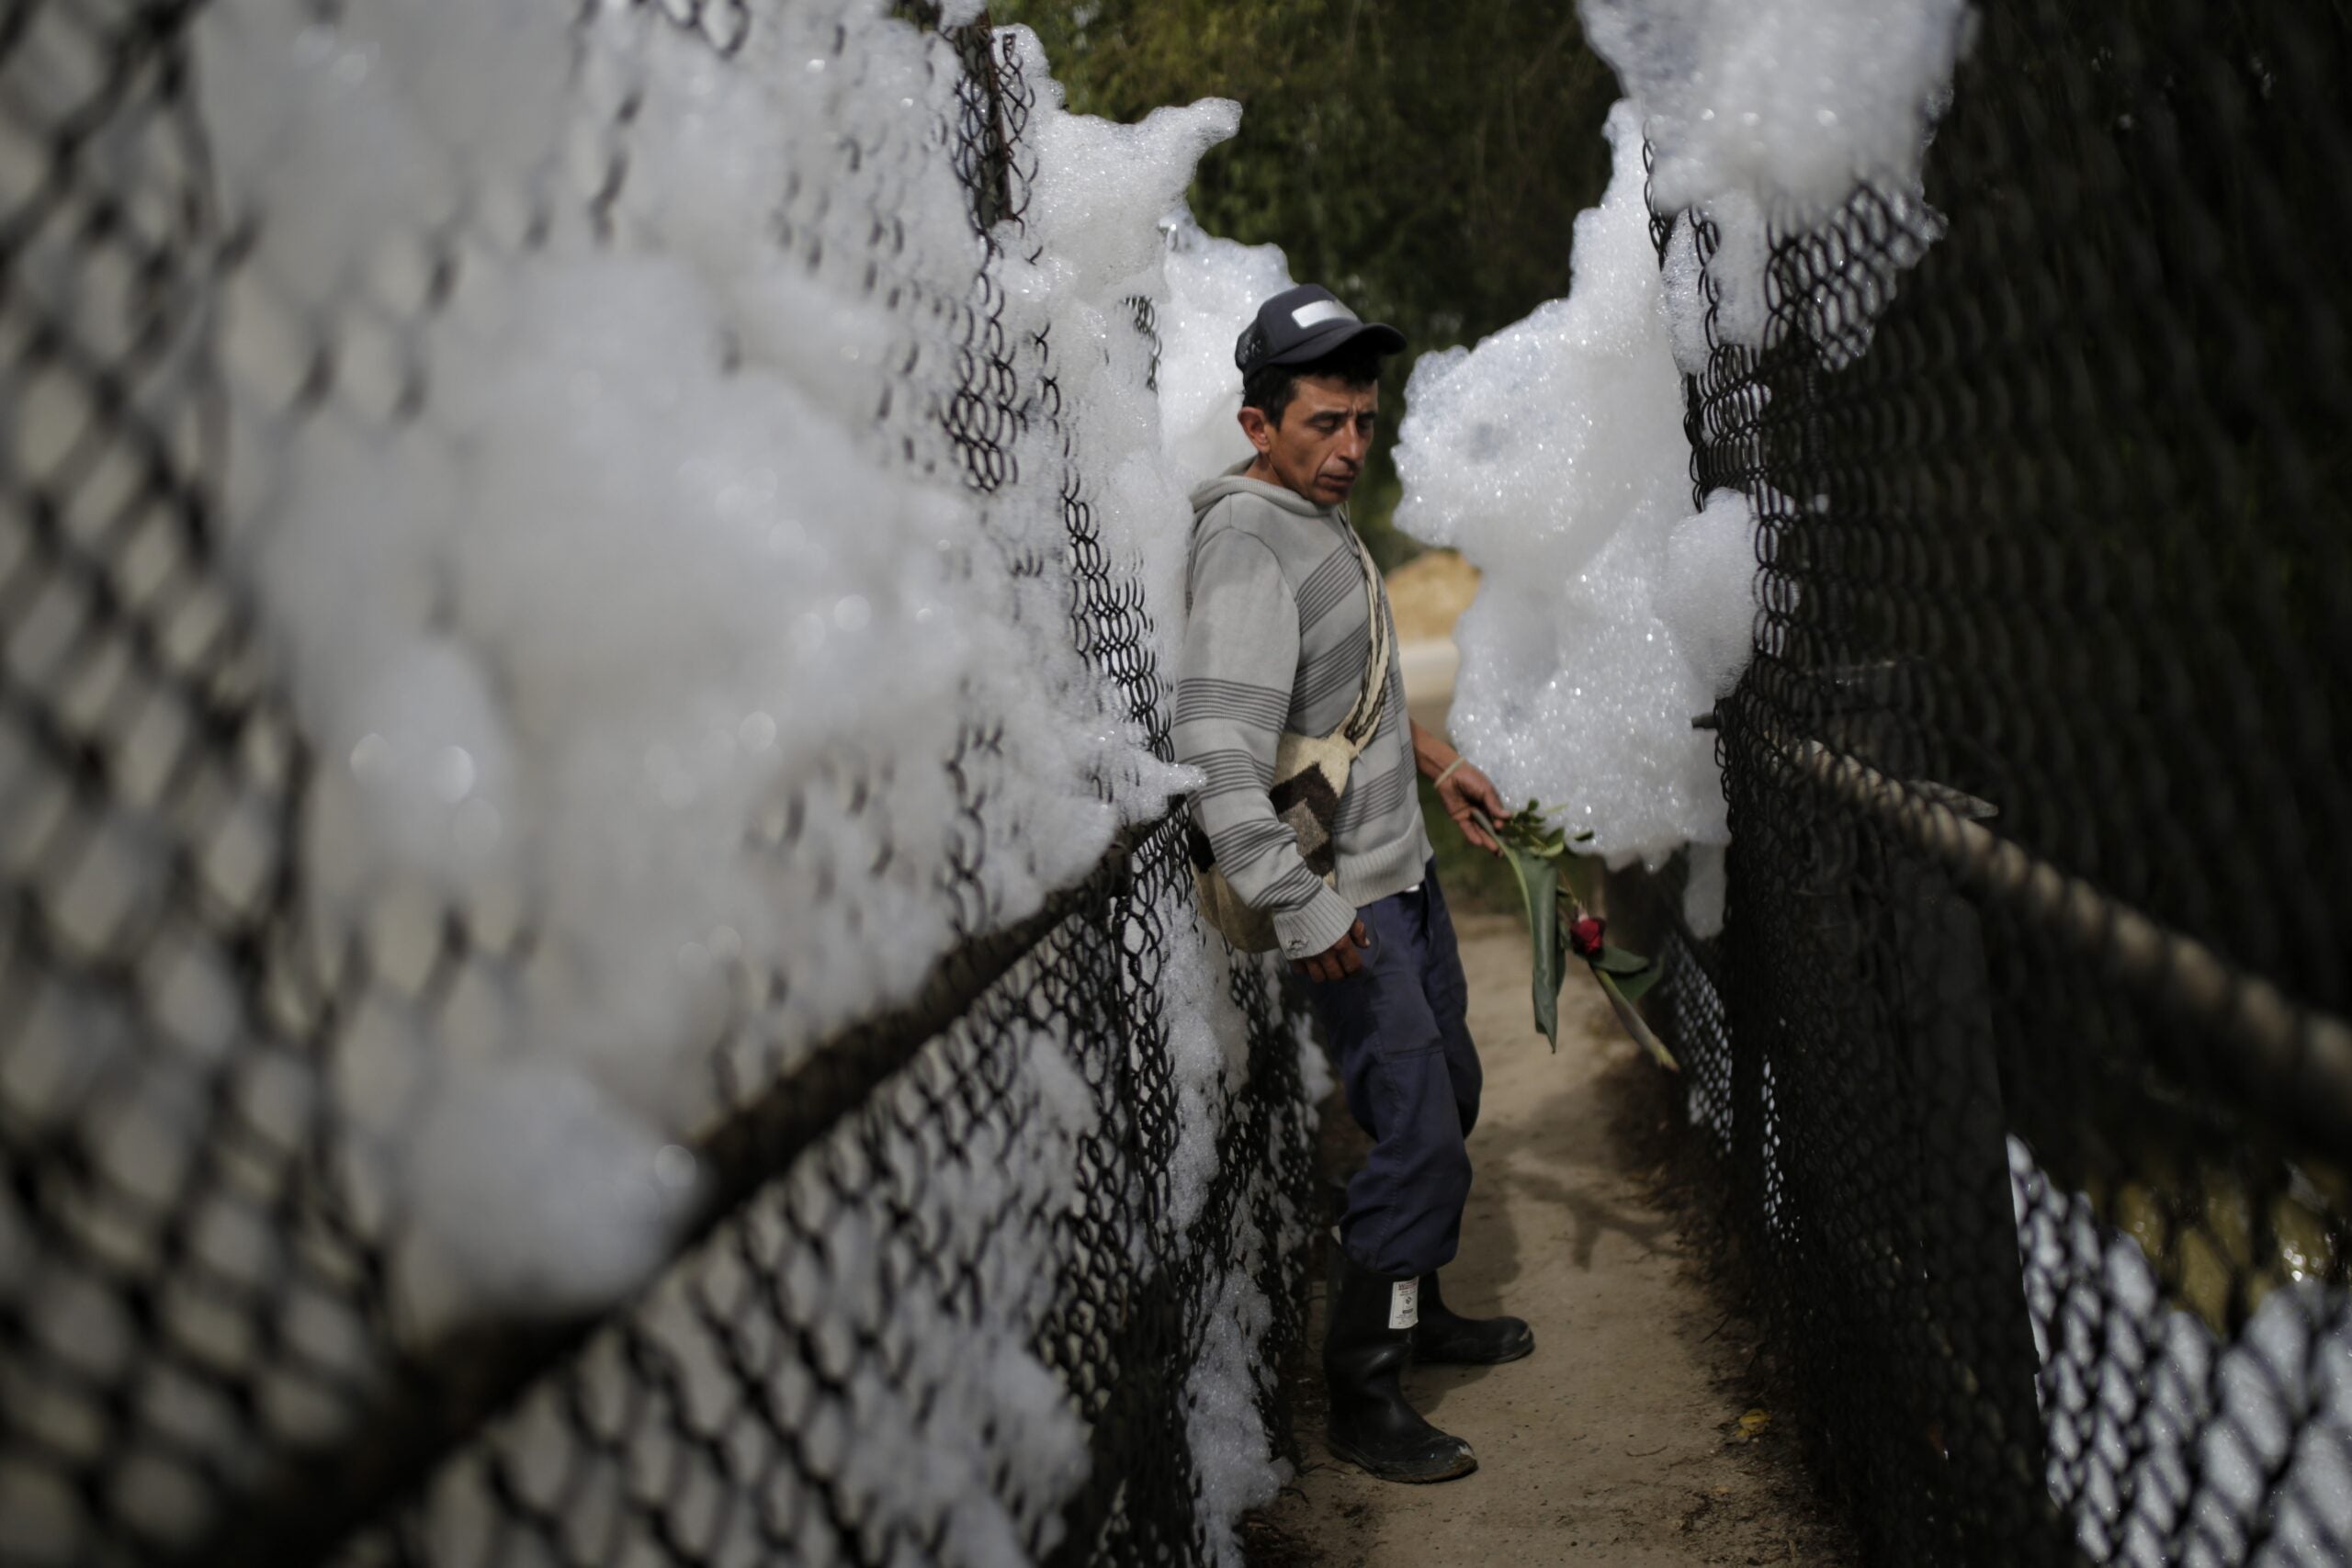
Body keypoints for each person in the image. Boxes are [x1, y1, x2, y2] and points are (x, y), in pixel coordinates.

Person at [1174, 284, 1531, 1484]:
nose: (1350, 446)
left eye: (1364, 421)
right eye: (1324, 423)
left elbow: (1345, 694)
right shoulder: (1246, 541)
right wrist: (1302, 902)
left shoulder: (1317, 517)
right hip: (1347, 903)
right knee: (1420, 1135)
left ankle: (1414, 1309)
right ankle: (1365, 1393)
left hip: (1402, 874)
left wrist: (1437, 762)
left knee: (1446, 1097)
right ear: (1258, 425)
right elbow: (1217, 755)